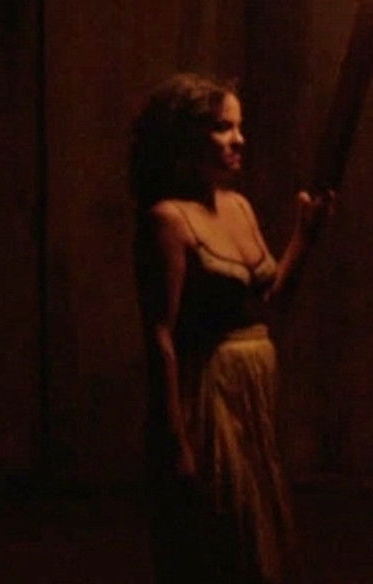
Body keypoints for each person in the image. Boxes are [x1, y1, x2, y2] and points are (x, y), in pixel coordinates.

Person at [131, 73, 333, 584]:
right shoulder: (168, 220)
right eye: (223, 128)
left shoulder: (238, 206)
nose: (239, 140)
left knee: (261, 525)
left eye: (239, 127)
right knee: (224, 530)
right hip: (208, 393)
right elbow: (160, 334)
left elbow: (272, 300)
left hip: (251, 393)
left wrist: (304, 238)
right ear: (184, 137)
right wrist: (174, 437)